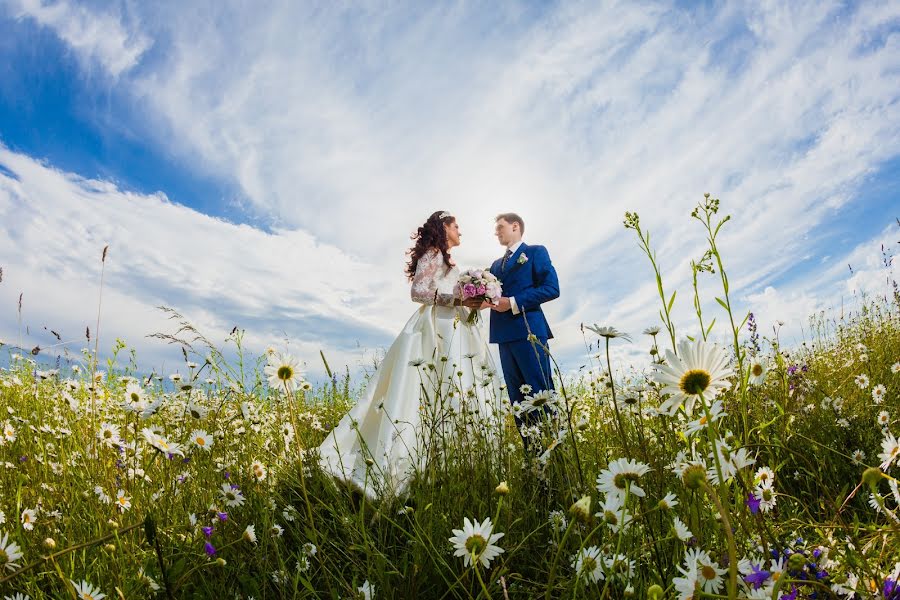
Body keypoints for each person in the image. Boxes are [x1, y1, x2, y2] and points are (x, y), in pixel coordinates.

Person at [318, 211, 501, 499]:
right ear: (443, 228)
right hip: (433, 328)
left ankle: (454, 467)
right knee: (422, 389)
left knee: (457, 389)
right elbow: (418, 291)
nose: (460, 231)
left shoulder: (448, 260)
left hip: (455, 328)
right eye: (456, 226)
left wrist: (474, 302)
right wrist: (457, 298)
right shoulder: (432, 253)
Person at [486, 213, 560, 451]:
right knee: (517, 399)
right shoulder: (495, 266)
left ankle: (556, 457)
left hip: (530, 331)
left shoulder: (536, 252)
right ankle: (533, 457)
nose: (496, 232)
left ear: (515, 226)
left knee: (540, 392)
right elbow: (490, 295)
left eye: (500, 227)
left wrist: (514, 302)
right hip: (504, 336)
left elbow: (551, 288)